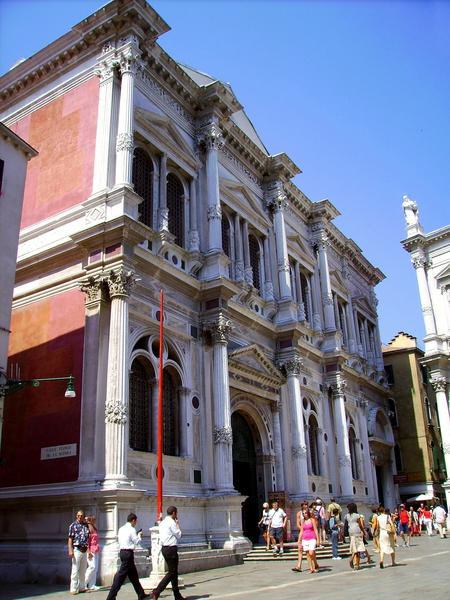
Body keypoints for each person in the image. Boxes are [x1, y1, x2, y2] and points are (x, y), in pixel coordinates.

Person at [106, 513, 149, 600]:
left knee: (134, 576)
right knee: (120, 577)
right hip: (128, 553)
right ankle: (111, 596)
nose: (135, 523)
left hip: (122, 552)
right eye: (135, 521)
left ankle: (141, 594)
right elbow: (136, 541)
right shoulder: (132, 529)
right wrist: (139, 535)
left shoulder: (121, 529)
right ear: (133, 520)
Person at [152, 506, 185, 600]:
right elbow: (179, 535)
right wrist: (177, 524)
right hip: (171, 549)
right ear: (174, 513)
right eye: (176, 513)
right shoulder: (172, 522)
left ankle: (177, 595)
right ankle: (157, 591)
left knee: (174, 572)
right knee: (172, 572)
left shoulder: (162, 523)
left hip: (164, 549)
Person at [68, 510, 90, 595]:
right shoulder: (73, 526)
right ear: (76, 516)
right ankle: (73, 588)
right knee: (75, 570)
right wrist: (70, 549)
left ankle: (82, 587)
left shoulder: (86, 525)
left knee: (83, 570)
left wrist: (89, 551)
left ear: (83, 516)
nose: (79, 517)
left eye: (81, 515)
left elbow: (87, 538)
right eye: (78, 515)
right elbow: (70, 539)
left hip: (84, 550)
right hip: (77, 549)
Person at [345, 503, 366, 571]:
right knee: (358, 549)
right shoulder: (357, 515)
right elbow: (360, 525)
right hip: (357, 532)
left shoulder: (347, 516)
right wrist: (363, 531)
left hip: (351, 532)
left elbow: (346, 525)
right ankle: (357, 564)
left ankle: (354, 563)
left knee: (354, 548)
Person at [298, 508, 320, 574]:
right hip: (305, 539)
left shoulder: (312, 520)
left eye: (306, 513)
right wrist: (299, 540)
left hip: (312, 538)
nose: (305, 514)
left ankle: (315, 565)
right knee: (307, 554)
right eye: (304, 513)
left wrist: (318, 539)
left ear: (308, 513)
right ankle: (311, 568)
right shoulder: (302, 521)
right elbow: (301, 531)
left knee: (311, 553)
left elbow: (316, 530)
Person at [85, 515, 101, 592]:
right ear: (90, 520)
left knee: (95, 568)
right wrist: (88, 551)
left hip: (96, 549)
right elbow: (87, 541)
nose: (95, 521)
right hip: (90, 550)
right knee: (92, 567)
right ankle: (83, 583)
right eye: (94, 519)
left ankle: (92, 585)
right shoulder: (88, 528)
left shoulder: (94, 528)